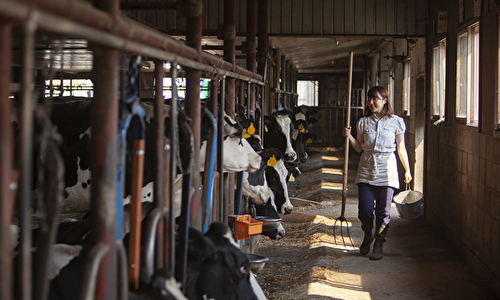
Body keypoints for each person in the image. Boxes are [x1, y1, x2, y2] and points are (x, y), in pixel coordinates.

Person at [342, 86, 412, 260]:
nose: (371, 102)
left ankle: (379, 243)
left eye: (375, 99)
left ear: (385, 100)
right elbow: (358, 147)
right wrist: (349, 136)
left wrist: (407, 169)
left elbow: (401, 148)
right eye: (369, 99)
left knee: (384, 213)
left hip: (387, 170)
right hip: (366, 168)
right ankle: (368, 234)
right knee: (365, 211)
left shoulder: (397, 122)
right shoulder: (363, 122)